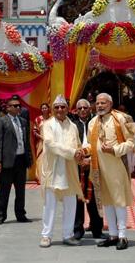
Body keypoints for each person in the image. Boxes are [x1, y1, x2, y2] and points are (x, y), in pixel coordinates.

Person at [83, 93, 135, 250]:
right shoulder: (92, 122)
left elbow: (132, 142)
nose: (99, 106)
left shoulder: (122, 118)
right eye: (98, 103)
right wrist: (81, 151)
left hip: (116, 165)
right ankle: (112, 235)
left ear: (111, 104)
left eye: (103, 103)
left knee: (118, 201)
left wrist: (114, 150)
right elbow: (90, 146)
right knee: (106, 201)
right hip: (98, 168)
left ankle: (122, 236)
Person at [38, 95, 84, 248]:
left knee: (71, 203)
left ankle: (68, 234)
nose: (59, 110)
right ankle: (46, 236)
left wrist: (80, 156)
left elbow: (77, 145)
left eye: (62, 107)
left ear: (67, 109)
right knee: (50, 205)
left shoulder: (73, 126)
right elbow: (50, 144)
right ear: (53, 109)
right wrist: (73, 152)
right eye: (56, 107)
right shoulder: (48, 125)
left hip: (69, 170)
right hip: (53, 170)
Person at [0, 95, 32, 225]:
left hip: (21, 159)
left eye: (19, 106)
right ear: (8, 108)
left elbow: (26, 142)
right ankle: (0, 215)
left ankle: (20, 214)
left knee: (21, 190)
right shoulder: (1, 121)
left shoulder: (23, 121)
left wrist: (29, 158)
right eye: (15, 106)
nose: (18, 108)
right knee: (4, 190)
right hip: (7, 161)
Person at [72, 99, 103, 240]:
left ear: (90, 109)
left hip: (94, 162)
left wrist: (90, 159)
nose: (83, 110)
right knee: (77, 198)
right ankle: (78, 229)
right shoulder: (72, 125)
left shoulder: (96, 123)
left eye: (85, 107)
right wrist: (80, 159)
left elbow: (101, 143)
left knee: (95, 198)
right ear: (76, 110)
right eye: (80, 108)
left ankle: (97, 229)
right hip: (76, 164)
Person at [33, 103, 51, 182]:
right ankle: (40, 178)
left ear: (48, 109)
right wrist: (42, 138)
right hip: (41, 142)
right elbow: (34, 131)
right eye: (42, 108)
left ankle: (49, 178)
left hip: (50, 142)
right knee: (40, 159)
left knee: (50, 159)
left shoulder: (52, 119)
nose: (44, 109)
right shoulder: (38, 119)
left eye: (45, 108)